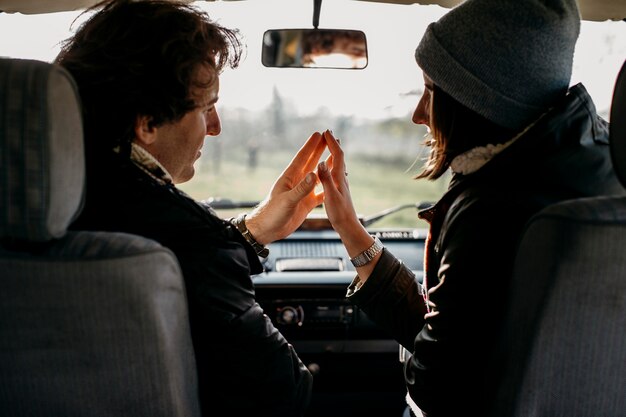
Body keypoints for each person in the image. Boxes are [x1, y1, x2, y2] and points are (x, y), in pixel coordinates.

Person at [316, 0, 624, 416]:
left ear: (478, 98)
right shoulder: (602, 174)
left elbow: (437, 383)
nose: (418, 115)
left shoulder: (491, 212)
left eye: (430, 91)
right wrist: (351, 228)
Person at [55, 0, 326, 415]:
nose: (214, 127)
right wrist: (221, 245)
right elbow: (285, 396)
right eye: (205, 107)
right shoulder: (194, 245)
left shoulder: (40, 205)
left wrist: (248, 234)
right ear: (146, 122)